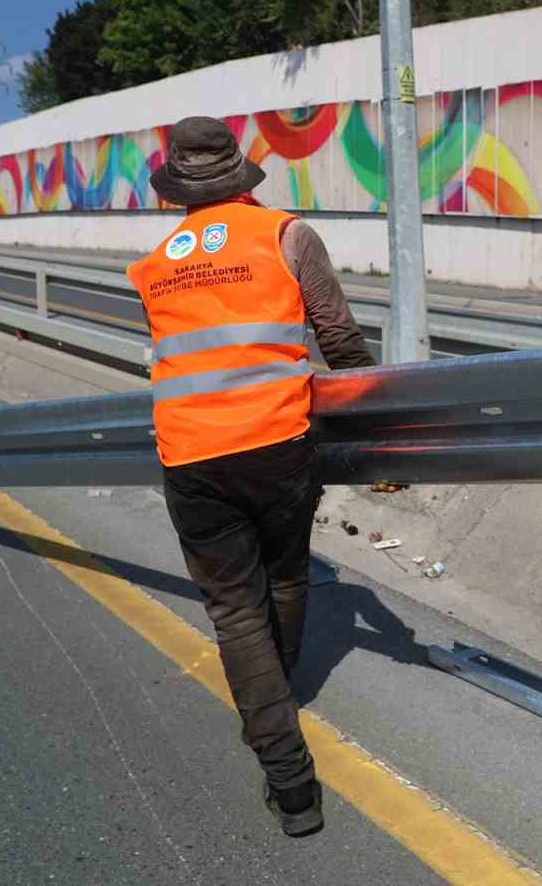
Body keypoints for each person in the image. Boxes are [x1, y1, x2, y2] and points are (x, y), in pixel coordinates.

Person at [126, 117, 374, 838]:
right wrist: (376, 431)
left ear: (176, 187)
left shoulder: (153, 263)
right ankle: (279, 692)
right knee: (288, 575)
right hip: (276, 444)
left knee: (235, 610)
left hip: (189, 455)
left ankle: (289, 780)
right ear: (241, 175)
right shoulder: (287, 236)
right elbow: (339, 338)